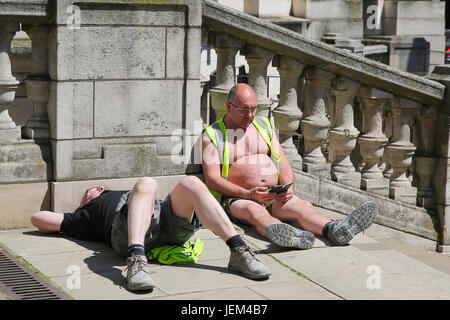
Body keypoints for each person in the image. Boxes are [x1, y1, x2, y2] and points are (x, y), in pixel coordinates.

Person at [201, 83, 378, 250]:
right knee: (254, 212)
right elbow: (213, 180)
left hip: (272, 193)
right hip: (238, 199)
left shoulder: (263, 126)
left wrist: (288, 186)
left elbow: (282, 162)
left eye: (253, 109)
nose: (250, 115)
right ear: (229, 106)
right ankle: (288, 235)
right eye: (244, 110)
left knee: (302, 207)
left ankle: (334, 229)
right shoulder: (211, 136)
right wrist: (248, 193)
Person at [31, 176, 272, 291]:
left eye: (95, 188)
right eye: (89, 191)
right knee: (147, 183)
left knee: (191, 183)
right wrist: (75, 212)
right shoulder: (83, 215)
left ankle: (238, 250)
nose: (93, 189)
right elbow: (38, 219)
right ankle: (136, 261)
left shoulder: (124, 193)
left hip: (163, 219)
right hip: (127, 232)